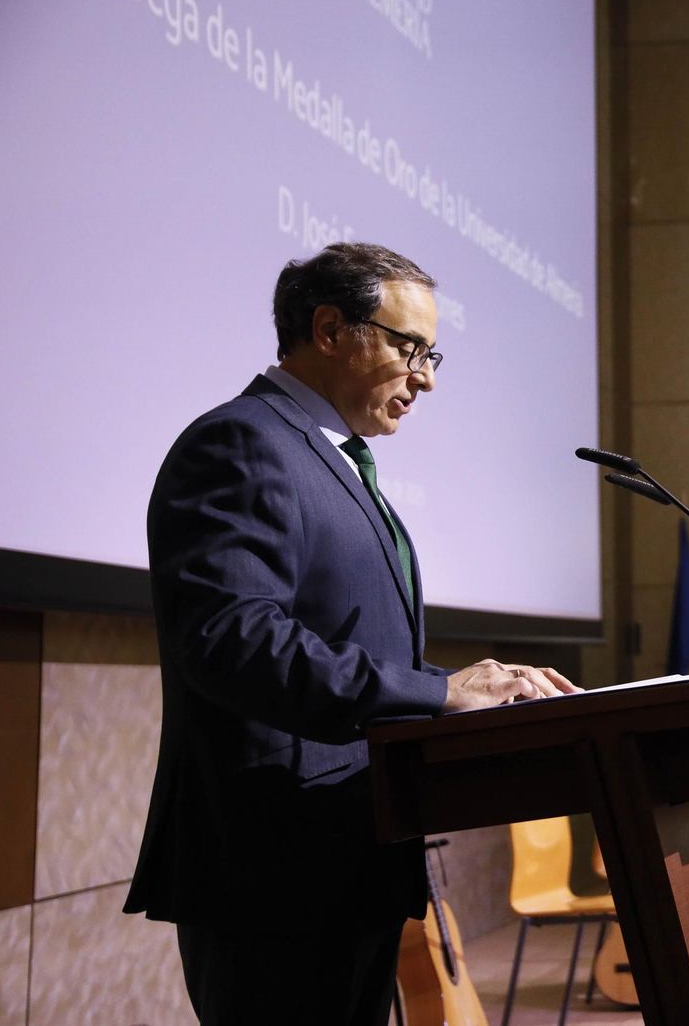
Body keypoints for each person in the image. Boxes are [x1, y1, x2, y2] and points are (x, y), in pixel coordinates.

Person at [123, 242, 579, 1025]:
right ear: (330, 329)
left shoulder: (332, 460)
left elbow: (345, 640)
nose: (427, 377)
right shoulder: (241, 443)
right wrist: (438, 691)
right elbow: (233, 640)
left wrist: (469, 690)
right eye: (410, 348)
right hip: (272, 867)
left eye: (434, 354)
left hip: (347, 853)